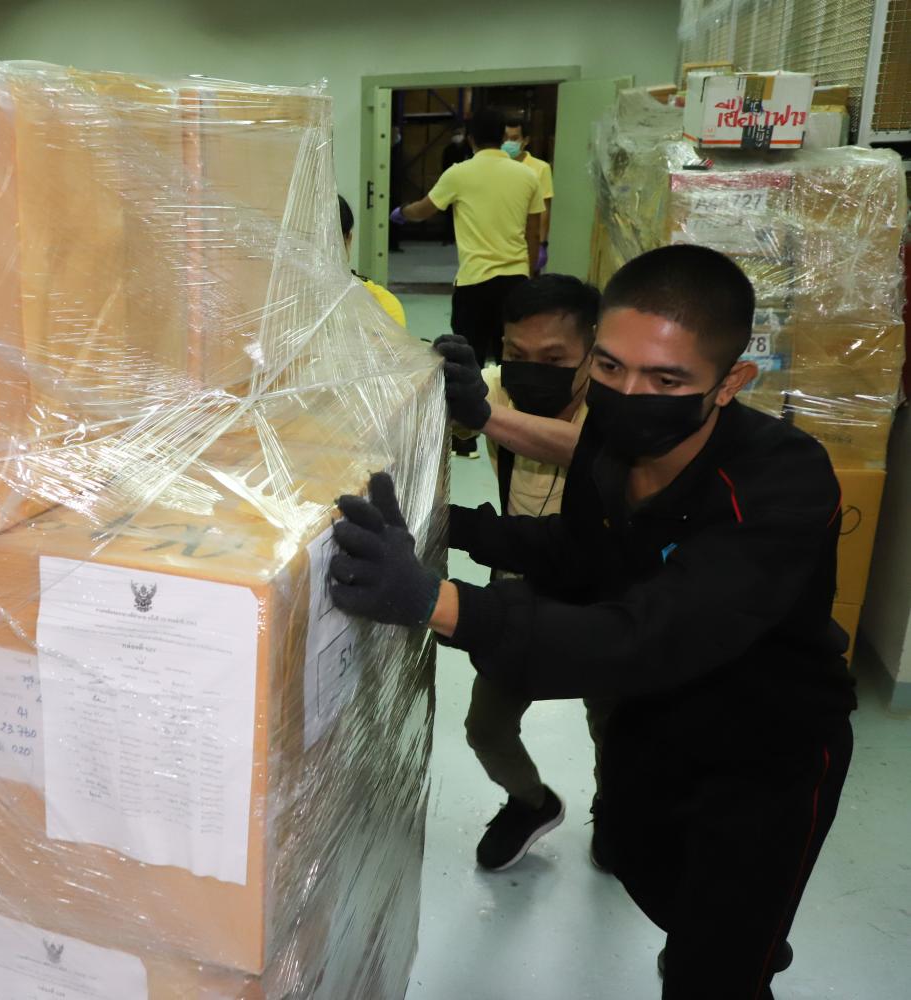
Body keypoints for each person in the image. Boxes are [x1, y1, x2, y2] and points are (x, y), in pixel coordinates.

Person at [330, 245, 854, 999]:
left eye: (666, 379)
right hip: (656, 723)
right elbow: (583, 554)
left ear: (731, 382)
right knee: (651, 875)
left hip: (763, 753)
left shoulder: (781, 486)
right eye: (610, 368)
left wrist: (436, 603)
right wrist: (451, 526)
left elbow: (646, 633)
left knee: (719, 966)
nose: (630, 393)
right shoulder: (612, 442)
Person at [433, 274, 607, 871]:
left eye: (554, 359)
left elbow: (588, 452)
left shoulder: (619, 409)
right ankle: (530, 801)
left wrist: (484, 417)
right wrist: (432, 382)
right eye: (516, 355)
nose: (532, 370)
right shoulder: (499, 392)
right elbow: (447, 422)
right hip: (520, 596)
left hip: (607, 599)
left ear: (593, 352)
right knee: (486, 728)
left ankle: (615, 811)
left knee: (614, 725)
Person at [391, 108, 543, 372]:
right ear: (502, 137)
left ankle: (471, 411)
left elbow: (425, 209)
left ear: (471, 139)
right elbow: (534, 232)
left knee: (468, 361)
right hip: (515, 282)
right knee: (511, 359)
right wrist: (527, 276)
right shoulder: (528, 176)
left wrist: (402, 212)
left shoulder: (459, 174)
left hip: (474, 283)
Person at [339, 195, 407, 329]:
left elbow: (394, 347)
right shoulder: (288, 307)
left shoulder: (381, 305)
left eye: (329, 243)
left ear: (348, 240)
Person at [503, 117, 553, 272]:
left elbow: (544, 208)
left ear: (525, 140)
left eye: (514, 138)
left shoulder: (540, 168)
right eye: (505, 138)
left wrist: (542, 244)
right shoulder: (497, 166)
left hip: (527, 239)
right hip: (500, 238)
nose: (508, 143)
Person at [439, 123, 472, 246]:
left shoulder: (468, 150)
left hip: (467, 184)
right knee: (449, 213)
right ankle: (448, 237)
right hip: (451, 184)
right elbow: (444, 167)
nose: (458, 136)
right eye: (456, 133)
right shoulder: (448, 150)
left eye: (460, 133)